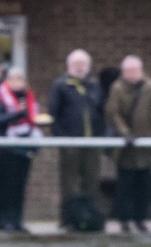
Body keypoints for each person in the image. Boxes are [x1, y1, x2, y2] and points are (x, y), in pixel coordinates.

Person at [105, 55, 151, 234]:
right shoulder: (117, 88)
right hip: (125, 147)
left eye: (134, 70)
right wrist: (125, 132)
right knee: (125, 184)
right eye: (128, 71)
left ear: (141, 70)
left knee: (143, 184)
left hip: (145, 146)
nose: (131, 74)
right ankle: (124, 220)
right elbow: (113, 113)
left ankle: (140, 219)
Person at [48, 50, 104, 228]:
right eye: (76, 65)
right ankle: (68, 219)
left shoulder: (94, 85)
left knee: (91, 181)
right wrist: (62, 138)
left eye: (83, 65)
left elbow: (101, 112)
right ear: (69, 66)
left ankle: (89, 218)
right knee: (69, 183)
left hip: (91, 143)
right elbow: (53, 115)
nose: (79, 68)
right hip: (70, 143)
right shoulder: (61, 85)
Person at [0, 66, 41, 232]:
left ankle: (17, 220)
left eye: (21, 79)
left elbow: (32, 117)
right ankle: (6, 220)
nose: (18, 83)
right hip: (7, 149)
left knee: (20, 186)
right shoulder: (0, 96)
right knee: (7, 187)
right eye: (15, 79)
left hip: (25, 147)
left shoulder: (28, 97)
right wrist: (16, 115)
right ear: (8, 81)